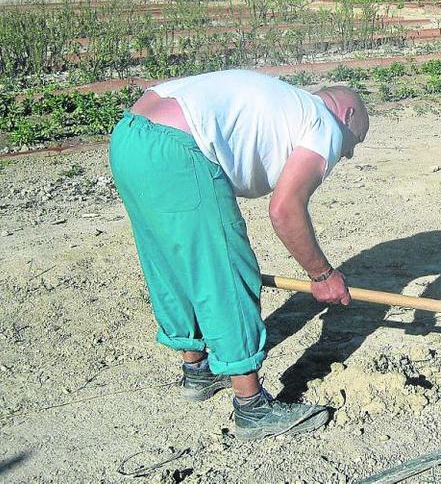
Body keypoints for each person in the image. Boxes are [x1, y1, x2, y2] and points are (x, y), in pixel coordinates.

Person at [108, 69, 369, 439]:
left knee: (173, 259)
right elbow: (285, 209)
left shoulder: (282, 103)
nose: (348, 153)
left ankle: (198, 371)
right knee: (226, 271)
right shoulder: (323, 121)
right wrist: (323, 275)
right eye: (352, 144)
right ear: (347, 115)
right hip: (178, 147)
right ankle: (252, 408)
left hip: (129, 136)